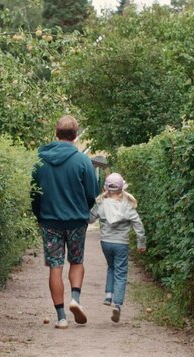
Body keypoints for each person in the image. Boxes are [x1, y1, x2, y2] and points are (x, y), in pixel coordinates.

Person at [32, 115, 99, 329]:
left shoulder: (40, 160)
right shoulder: (82, 161)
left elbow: (34, 193)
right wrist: (83, 210)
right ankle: (75, 300)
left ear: (56, 133)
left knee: (55, 266)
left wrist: (39, 215)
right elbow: (92, 192)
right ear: (76, 135)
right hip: (76, 220)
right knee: (77, 261)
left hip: (50, 220)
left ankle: (61, 317)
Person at [89, 172, 146, 323]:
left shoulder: (101, 203)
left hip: (106, 243)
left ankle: (108, 295)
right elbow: (138, 224)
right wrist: (141, 242)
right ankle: (118, 304)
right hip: (121, 243)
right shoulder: (127, 205)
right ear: (122, 188)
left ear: (105, 188)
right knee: (121, 273)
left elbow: (90, 219)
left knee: (111, 267)